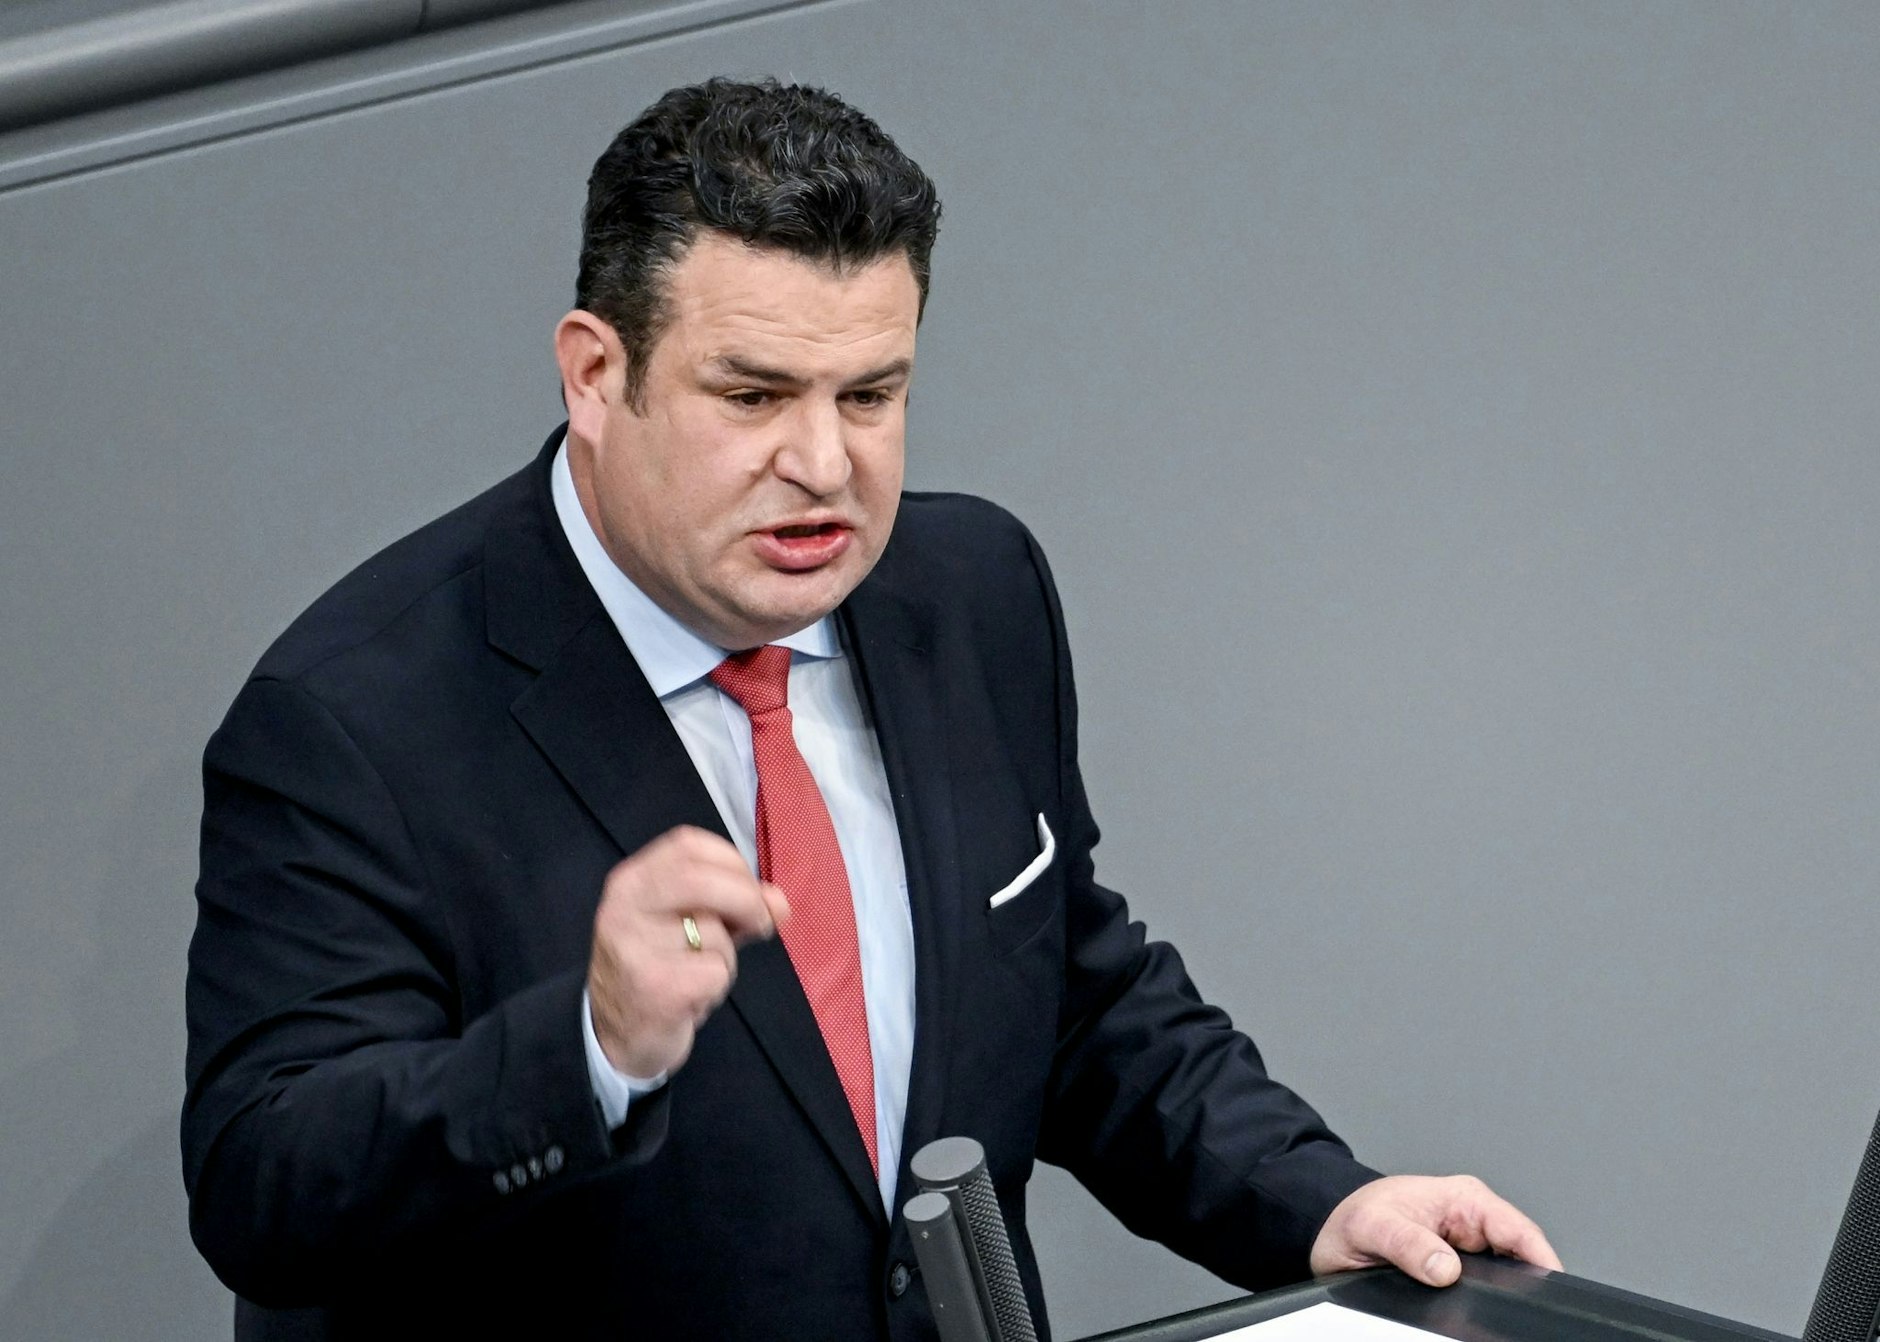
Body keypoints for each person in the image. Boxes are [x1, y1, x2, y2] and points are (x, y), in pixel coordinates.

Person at [182, 78, 1559, 1340]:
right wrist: (587, 1049)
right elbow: (265, 1184)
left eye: (873, 393)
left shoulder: (969, 590)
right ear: (597, 373)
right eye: (755, 394)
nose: (825, 464)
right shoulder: (356, 718)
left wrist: (1316, 1200)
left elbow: (1070, 991)